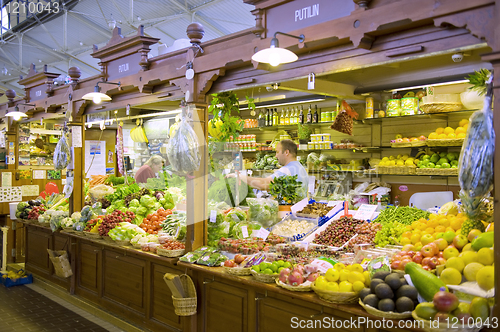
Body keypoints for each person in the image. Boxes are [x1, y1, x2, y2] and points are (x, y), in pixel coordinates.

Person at [235, 139, 309, 197]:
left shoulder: (286, 170)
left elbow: (263, 184)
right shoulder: (301, 168)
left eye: (277, 152)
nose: (276, 156)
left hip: (286, 211)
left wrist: (239, 177)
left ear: (286, 152)